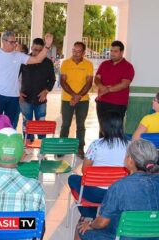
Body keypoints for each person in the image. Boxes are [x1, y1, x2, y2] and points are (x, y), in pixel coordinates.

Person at [78, 139, 159, 240]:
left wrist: (90, 224)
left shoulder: (119, 186)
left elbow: (102, 223)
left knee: (80, 230)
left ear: (130, 160)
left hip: (123, 237)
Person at [68, 111, 129, 240]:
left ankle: (88, 214)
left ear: (104, 127)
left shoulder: (96, 145)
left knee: (72, 178)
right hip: (118, 195)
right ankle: (95, 215)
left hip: (95, 194)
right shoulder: (129, 146)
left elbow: (85, 170)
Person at [0, 31, 53, 129]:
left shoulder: (19, 55)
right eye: (11, 42)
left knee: (10, 126)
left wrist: (47, 46)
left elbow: (38, 59)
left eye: (15, 42)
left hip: (14, 97)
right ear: (3, 41)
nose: (14, 44)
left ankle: (8, 144)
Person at [59, 42, 93, 158]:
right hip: (67, 99)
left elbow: (89, 83)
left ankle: (80, 148)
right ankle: (61, 147)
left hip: (83, 100)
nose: (76, 53)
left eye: (79, 51)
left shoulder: (88, 64)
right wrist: (74, 95)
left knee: (80, 125)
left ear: (84, 52)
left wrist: (78, 97)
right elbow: (63, 81)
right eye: (74, 51)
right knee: (65, 124)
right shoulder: (65, 63)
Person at [95, 41, 135, 138]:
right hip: (102, 102)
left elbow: (124, 84)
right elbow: (97, 78)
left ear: (121, 52)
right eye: (111, 51)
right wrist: (102, 87)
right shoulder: (104, 64)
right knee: (102, 129)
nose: (112, 53)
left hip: (118, 104)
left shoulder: (128, 67)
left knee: (116, 130)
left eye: (115, 51)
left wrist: (107, 90)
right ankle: (102, 151)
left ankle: (116, 152)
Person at [20, 38, 55, 141]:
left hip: (41, 100)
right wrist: (18, 92)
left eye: (40, 50)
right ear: (31, 47)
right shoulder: (24, 60)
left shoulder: (48, 63)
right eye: (35, 50)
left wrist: (46, 91)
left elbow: (52, 80)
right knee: (27, 124)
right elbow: (15, 77)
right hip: (25, 99)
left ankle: (41, 148)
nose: (37, 53)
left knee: (41, 126)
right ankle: (28, 145)